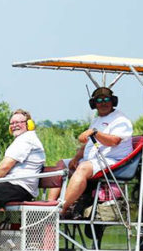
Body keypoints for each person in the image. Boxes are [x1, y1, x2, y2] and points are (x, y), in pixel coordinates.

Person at [55, 86, 133, 217]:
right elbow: (87, 144)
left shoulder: (121, 120)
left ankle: (61, 209)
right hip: (94, 161)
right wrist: (75, 158)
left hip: (113, 162)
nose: (103, 103)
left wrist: (95, 133)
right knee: (61, 164)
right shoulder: (97, 120)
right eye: (99, 100)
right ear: (94, 104)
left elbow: (114, 141)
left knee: (83, 167)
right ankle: (50, 204)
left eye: (107, 99)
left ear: (113, 101)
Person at [0, 109, 46, 217]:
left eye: (18, 122)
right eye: (12, 123)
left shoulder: (26, 139)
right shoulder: (23, 139)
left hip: (19, 186)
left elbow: (4, 167)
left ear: (29, 124)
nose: (14, 125)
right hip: (14, 185)